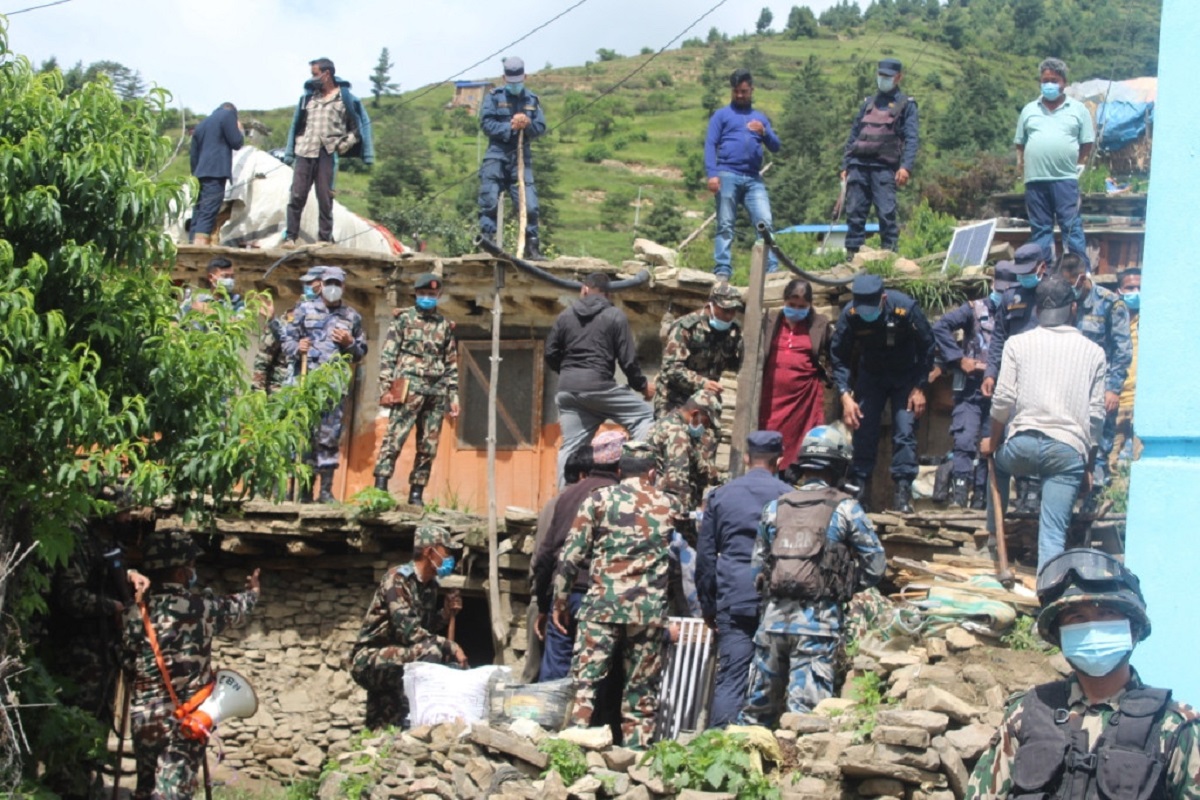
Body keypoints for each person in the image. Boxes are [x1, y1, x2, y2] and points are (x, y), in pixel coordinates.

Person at [966, 548, 1199, 799]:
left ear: (1133, 630)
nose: (1092, 627)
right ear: (1059, 635)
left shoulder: (1173, 726)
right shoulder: (1025, 715)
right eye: (1077, 617)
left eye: (1106, 614)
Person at [740, 426, 885, 728]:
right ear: (839, 465)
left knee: (755, 716)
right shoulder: (846, 508)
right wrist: (843, 586)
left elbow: (756, 569)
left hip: (771, 622)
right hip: (818, 625)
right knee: (805, 721)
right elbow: (876, 566)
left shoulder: (774, 508)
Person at [552, 442, 677, 749]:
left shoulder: (598, 500)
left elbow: (570, 556)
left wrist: (560, 600)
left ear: (620, 471)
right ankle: (637, 761)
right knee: (641, 690)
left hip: (601, 607)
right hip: (646, 611)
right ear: (652, 472)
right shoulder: (668, 505)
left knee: (585, 684)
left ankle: (572, 751)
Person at [122, 530, 260, 800]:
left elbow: (127, 664)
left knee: (146, 789)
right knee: (173, 792)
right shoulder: (203, 607)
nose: (192, 571)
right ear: (179, 573)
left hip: (144, 716)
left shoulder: (134, 613)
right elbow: (239, 607)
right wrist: (253, 591)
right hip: (187, 719)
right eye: (190, 565)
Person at [980, 276, 1106, 571]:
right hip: (1067, 452)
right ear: (1073, 309)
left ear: (1036, 312)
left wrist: (993, 443)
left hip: (1021, 447)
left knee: (996, 462)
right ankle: (1048, 595)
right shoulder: (1094, 352)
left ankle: (991, 536)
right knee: (1052, 535)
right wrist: (1088, 467)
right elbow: (1096, 418)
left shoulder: (1017, 343)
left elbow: (1002, 401)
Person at [696, 430, 794, 728]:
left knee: (732, 676)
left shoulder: (720, 495)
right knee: (778, 676)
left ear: (747, 458)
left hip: (734, 596)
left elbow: (705, 558)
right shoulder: (789, 497)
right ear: (779, 460)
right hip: (778, 598)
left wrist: (709, 606)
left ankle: (718, 745)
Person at [830, 273, 935, 513]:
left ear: (883, 298)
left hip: (905, 377)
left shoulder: (905, 309)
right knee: (863, 428)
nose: (867, 312)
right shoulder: (851, 315)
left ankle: (902, 493)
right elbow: (838, 356)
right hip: (871, 376)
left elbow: (928, 347)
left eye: (872, 307)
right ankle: (859, 492)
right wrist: (845, 394)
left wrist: (920, 387)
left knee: (905, 430)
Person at [349, 525, 467, 730]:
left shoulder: (430, 587)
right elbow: (409, 631)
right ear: (430, 552)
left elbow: (425, 629)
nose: (450, 559)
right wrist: (450, 646)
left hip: (399, 656)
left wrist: (445, 614)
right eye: (446, 553)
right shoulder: (397, 580)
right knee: (432, 652)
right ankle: (425, 720)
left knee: (383, 728)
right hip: (369, 659)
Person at [532, 431, 625, 682]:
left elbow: (545, 556)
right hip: (601, 599)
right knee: (594, 676)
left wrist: (543, 604)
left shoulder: (567, 496)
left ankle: (546, 720)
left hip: (563, 597)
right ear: (620, 464)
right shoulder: (622, 497)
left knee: (555, 670)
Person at [545, 272, 654, 484]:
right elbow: (627, 360)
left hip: (568, 391)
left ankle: (564, 499)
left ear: (584, 289)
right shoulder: (615, 315)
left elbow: (550, 352)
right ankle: (636, 481)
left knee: (571, 447)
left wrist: (568, 372)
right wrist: (642, 386)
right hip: (600, 387)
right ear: (608, 294)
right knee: (644, 417)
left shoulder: (565, 315)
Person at [280, 266, 368, 502]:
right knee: (304, 437)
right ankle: (305, 491)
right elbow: (287, 340)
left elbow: (360, 353)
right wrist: (298, 348)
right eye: (329, 283)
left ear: (343, 287)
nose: (333, 288)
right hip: (307, 385)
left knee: (329, 438)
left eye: (337, 284)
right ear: (321, 284)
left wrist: (349, 343)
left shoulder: (352, 317)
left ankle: (326, 492)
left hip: (333, 388)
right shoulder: (303, 311)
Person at [372, 273, 459, 507]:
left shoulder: (445, 325)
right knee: (394, 438)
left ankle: (417, 493)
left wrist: (454, 395)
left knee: (428, 445)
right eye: (423, 294)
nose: (428, 298)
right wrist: (385, 389)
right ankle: (380, 487)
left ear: (438, 296)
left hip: (436, 390)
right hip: (408, 387)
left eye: (432, 294)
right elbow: (388, 355)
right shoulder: (403, 319)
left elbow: (451, 362)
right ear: (416, 294)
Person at [982, 245, 1050, 515]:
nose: (1024, 277)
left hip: (1044, 377)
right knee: (1013, 431)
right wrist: (990, 372)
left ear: (1042, 267)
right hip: (1014, 376)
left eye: (1028, 272)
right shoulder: (1011, 297)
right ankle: (1022, 492)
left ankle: (1033, 492)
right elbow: (999, 337)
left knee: (1037, 430)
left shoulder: (1053, 294)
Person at [1055, 253, 1132, 490]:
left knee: (1099, 444)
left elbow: (1123, 351)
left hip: (1101, 389)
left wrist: (1113, 389)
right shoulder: (1065, 304)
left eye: (1070, 284)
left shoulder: (1111, 304)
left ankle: (1095, 496)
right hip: (1072, 388)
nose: (1068, 289)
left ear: (1081, 278)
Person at [931, 270, 1007, 508]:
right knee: (964, 439)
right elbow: (940, 327)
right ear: (992, 284)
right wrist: (958, 358)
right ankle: (960, 494)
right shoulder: (973, 309)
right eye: (999, 288)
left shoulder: (1016, 313)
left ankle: (982, 498)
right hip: (970, 388)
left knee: (990, 443)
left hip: (1000, 388)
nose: (1002, 294)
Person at [282, 57, 374, 247]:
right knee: (297, 195)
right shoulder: (307, 99)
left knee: (324, 196)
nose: (313, 78)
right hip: (305, 150)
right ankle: (290, 236)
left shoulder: (345, 99)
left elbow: (359, 127)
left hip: (328, 152)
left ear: (327, 74)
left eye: (316, 74)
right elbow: (295, 125)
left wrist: (346, 143)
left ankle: (324, 238)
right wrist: (290, 152)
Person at [1014, 57, 1095, 268]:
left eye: (1054, 80)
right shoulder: (1029, 110)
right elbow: (1020, 143)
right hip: (1035, 180)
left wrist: (1075, 162)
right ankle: (1045, 272)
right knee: (1040, 228)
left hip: (1065, 179)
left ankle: (1079, 272)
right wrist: (1021, 165)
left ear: (1064, 83)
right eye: (1045, 80)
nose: (1049, 84)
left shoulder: (1078, 109)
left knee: (1071, 227)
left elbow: (1087, 143)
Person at [705, 68, 780, 279]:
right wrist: (712, 174)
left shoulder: (759, 118)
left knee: (764, 221)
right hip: (727, 174)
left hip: (754, 178)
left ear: (751, 90)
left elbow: (776, 146)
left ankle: (770, 269)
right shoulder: (721, 116)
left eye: (744, 91)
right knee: (725, 224)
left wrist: (764, 133)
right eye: (736, 91)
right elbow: (711, 145)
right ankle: (722, 270)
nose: (740, 95)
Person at [841, 58, 919, 258]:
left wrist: (906, 167)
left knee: (886, 214)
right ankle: (851, 257)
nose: (883, 79)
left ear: (898, 77)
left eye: (887, 76)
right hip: (858, 166)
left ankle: (889, 257)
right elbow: (854, 135)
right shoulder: (868, 103)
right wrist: (845, 165)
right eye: (880, 75)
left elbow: (912, 138)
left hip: (884, 168)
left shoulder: (907, 105)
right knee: (855, 214)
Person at [759, 278, 831, 472]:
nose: (797, 309)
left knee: (799, 441)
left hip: (803, 399)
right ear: (784, 300)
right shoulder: (770, 322)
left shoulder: (819, 325)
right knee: (768, 439)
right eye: (792, 305)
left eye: (802, 306)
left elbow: (833, 355)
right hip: (771, 396)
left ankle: (792, 477)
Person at [479, 56, 547, 260]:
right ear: (504, 79)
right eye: (511, 83)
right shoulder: (493, 97)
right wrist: (509, 126)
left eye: (518, 82)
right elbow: (486, 124)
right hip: (497, 155)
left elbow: (541, 128)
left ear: (524, 77)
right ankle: (487, 243)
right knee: (489, 200)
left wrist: (527, 123)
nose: (515, 86)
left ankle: (532, 247)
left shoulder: (532, 100)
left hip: (521, 159)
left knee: (530, 205)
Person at [655, 283, 744, 419]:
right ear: (710, 306)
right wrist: (703, 383)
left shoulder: (733, 330)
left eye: (734, 310)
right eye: (726, 310)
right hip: (674, 400)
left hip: (706, 400)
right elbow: (671, 368)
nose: (730, 316)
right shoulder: (686, 327)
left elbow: (733, 362)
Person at [646, 388, 722, 518]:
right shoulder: (678, 435)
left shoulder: (670, 421)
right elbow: (676, 485)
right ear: (695, 413)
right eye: (706, 422)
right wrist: (687, 518)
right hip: (667, 512)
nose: (706, 427)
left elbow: (698, 463)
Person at [188, 102, 243, 246]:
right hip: (216, 172)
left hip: (199, 173)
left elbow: (193, 155)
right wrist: (239, 130)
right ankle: (200, 246)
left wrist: (195, 174)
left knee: (199, 209)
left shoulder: (202, 124)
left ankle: (191, 241)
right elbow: (236, 142)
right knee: (209, 209)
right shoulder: (228, 115)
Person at [1110, 268, 1141, 470]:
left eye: (1140, 287)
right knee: (1109, 463)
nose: (1136, 292)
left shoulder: (1152, 323)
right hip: (1116, 403)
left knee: (1140, 463)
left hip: (1142, 405)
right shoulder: (1111, 322)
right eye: (1130, 287)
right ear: (1119, 291)